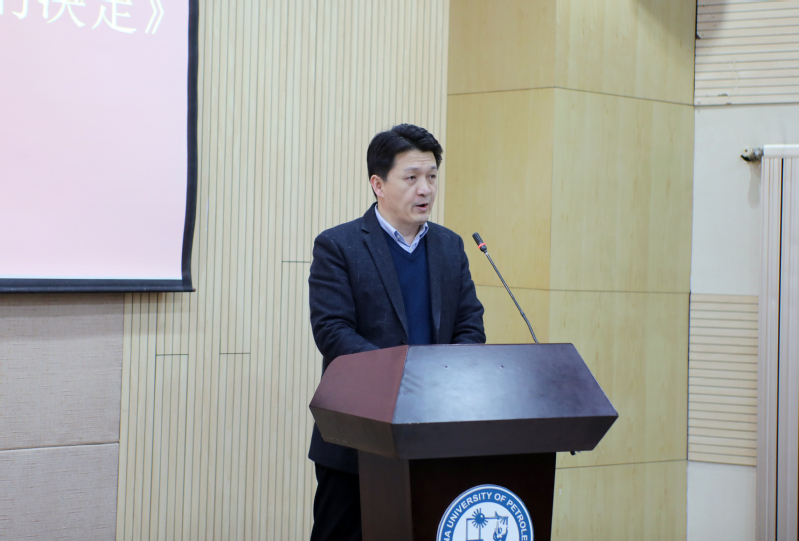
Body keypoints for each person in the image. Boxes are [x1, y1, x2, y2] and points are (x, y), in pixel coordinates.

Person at [307, 123, 486, 541]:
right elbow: (333, 332)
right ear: (378, 184)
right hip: (357, 439)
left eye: (432, 177)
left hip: (433, 434)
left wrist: (445, 379)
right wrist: (403, 379)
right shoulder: (339, 245)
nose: (425, 189)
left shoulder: (449, 246)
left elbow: (470, 327)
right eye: (411, 178)